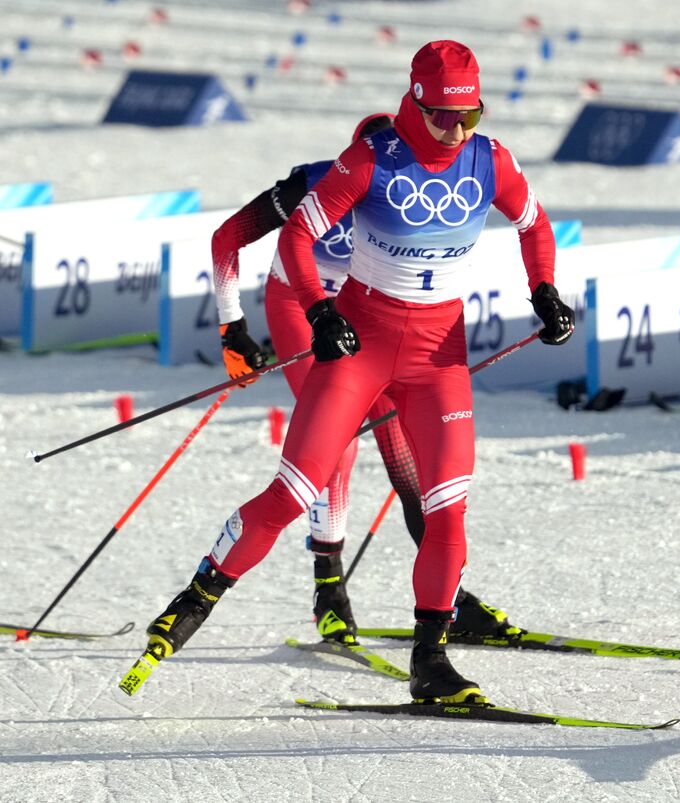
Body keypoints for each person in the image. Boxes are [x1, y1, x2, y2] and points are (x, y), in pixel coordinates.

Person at [136, 40, 574, 704]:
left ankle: (433, 657)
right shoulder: (367, 159)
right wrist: (303, 313)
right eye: (442, 118)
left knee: (444, 506)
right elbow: (292, 238)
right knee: (297, 488)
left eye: (470, 117)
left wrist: (544, 291)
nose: (456, 131)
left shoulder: (491, 160)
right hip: (359, 341)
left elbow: (535, 224)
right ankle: (197, 597)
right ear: (414, 104)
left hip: (438, 358)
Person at [211, 113, 523, 647]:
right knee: (336, 452)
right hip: (303, 307)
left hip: (378, 321)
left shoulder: (423, 189)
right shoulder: (316, 183)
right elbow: (227, 239)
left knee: (412, 469)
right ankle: (329, 591)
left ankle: (452, 603)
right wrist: (232, 328)